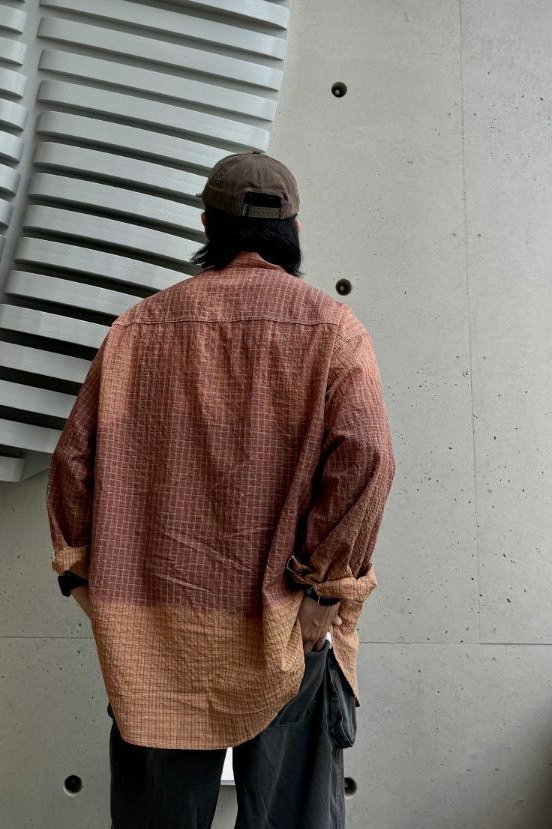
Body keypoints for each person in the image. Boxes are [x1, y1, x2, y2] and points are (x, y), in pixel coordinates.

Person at [47, 150, 397, 828]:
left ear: (208, 226)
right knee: (290, 817)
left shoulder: (137, 330)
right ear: (294, 230)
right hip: (286, 627)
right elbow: (368, 459)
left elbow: (73, 464)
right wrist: (325, 594)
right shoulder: (333, 329)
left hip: (155, 636)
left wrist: (83, 578)